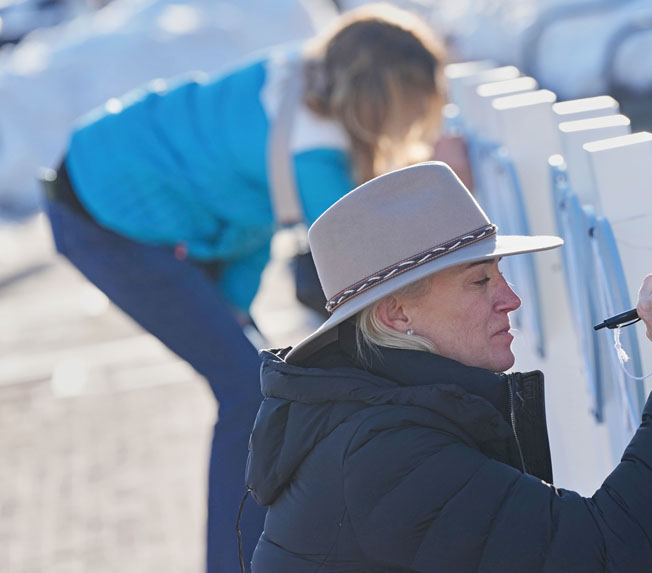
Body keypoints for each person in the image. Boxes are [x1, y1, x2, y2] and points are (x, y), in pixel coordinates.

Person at [41, 5, 448, 571]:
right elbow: (371, 262)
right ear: (381, 97)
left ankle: (259, 550)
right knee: (247, 392)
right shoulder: (316, 151)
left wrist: (235, 303)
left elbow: (250, 211)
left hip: (115, 178)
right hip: (104, 215)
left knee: (258, 381)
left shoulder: (297, 84)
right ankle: (231, 562)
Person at [245, 161, 652, 572]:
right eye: (480, 282)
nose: (512, 299)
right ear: (397, 314)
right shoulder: (389, 453)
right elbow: (598, 555)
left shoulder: (378, 416)